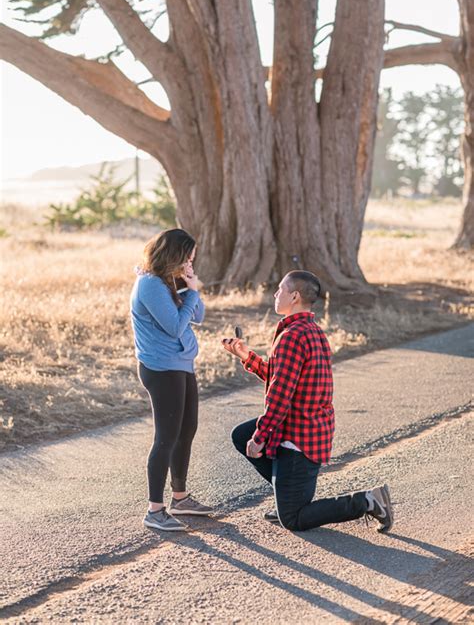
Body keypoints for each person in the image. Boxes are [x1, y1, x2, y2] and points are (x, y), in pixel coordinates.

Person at [222, 270, 394, 533]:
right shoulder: (310, 330)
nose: (275, 294)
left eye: (280, 290)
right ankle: (286, 496)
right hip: (304, 425)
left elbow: (279, 396)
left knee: (294, 520)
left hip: (299, 436)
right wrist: (247, 356)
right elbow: (282, 378)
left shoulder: (291, 336)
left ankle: (367, 501)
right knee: (240, 435)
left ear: (294, 296)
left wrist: (259, 438)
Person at [130, 228, 212, 531]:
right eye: (187, 259)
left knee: (187, 428)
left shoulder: (168, 281)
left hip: (181, 364)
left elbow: (198, 316)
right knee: (166, 436)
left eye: (192, 261)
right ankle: (155, 510)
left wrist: (191, 286)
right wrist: (190, 293)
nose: (190, 264)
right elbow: (176, 327)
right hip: (162, 368)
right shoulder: (150, 285)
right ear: (173, 256)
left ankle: (180, 498)